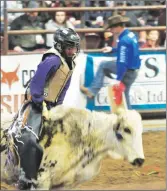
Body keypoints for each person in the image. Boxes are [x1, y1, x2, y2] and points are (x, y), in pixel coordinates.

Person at [16, 28, 80, 190]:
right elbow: (37, 81)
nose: (73, 50)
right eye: (69, 47)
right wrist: (37, 101)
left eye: (74, 47)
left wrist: (58, 107)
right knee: (32, 138)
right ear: (60, 46)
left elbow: (63, 88)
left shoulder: (69, 62)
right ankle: (25, 177)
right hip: (39, 103)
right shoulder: (52, 60)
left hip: (52, 105)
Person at [80, 15, 141, 109]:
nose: (110, 30)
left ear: (118, 27)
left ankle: (92, 91)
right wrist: (112, 49)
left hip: (128, 71)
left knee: (104, 65)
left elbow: (122, 61)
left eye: (111, 28)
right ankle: (129, 118)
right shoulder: (130, 35)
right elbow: (129, 51)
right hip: (133, 70)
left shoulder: (124, 40)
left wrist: (118, 79)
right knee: (125, 95)